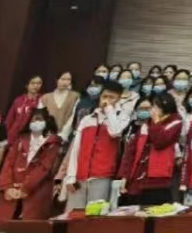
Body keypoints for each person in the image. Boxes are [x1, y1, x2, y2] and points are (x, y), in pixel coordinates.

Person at [64, 82, 130, 211]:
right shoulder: (87, 119)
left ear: (119, 99)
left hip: (102, 175)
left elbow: (114, 132)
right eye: (104, 96)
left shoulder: (122, 117)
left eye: (111, 97)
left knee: (95, 215)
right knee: (74, 215)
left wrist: (109, 110)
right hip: (80, 175)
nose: (106, 100)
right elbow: (76, 148)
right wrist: (70, 175)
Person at [120, 94, 182, 206]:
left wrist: (156, 122)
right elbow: (131, 152)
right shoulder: (145, 125)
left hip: (158, 180)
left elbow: (160, 142)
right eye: (152, 106)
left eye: (156, 106)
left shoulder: (175, 122)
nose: (153, 110)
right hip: (137, 179)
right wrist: (125, 177)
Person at [0, 109, 62, 220]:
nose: (36, 123)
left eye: (39, 120)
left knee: (30, 225)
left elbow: (43, 169)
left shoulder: (52, 144)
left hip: (36, 194)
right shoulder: (20, 140)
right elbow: (8, 164)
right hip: (12, 194)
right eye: (33, 120)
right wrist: (7, 187)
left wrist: (25, 188)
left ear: (47, 122)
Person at [38, 72, 80, 142]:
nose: (65, 82)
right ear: (57, 80)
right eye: (62, 79)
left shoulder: (75, 97)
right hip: (46, 136)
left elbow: (73, 117)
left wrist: (62, 135)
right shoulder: (45, 97)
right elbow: (40, 117)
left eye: (68, 80)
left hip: (64, 137)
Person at [6, 76, 43, 146]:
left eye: (39, 83)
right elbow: (9, 120)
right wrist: (10, 133)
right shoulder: (18, 100)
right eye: (33, 83)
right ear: (27, 85)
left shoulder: (42, 100)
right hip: (13, 137)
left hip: (30, 139)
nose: (36, 86)